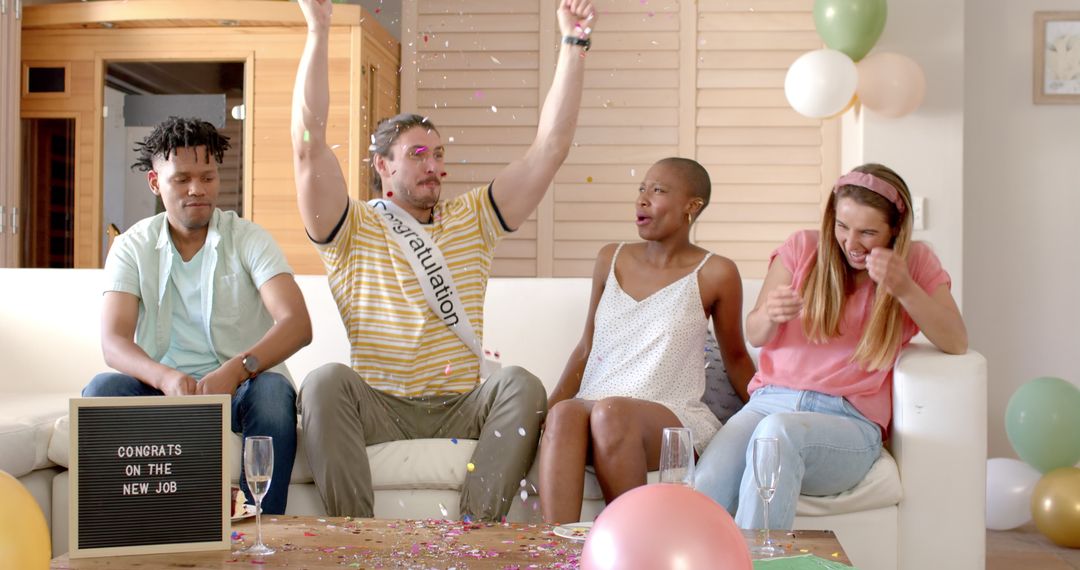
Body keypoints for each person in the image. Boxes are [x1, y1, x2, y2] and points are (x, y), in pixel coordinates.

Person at [290, 0, 598, 521]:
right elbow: (308, 144)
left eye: (438, 155)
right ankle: (357, 539)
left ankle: (477, 537)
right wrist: (318, 31)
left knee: (521, 384)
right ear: (381, 166)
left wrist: (573, 45)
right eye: (417, 155)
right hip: (378, 403)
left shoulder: (473, 217)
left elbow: (549, 149)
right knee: (322, 383)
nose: (434, 167)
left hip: (463, 401)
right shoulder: (352, 227)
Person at [694, 163, 968, 530]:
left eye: (868, 232)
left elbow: (956, 340)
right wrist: (771, 314)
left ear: (895, 230)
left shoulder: (915, 262)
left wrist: (905, 288)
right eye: (842, 226)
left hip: (846, 423)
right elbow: (755, 334)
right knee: (702, 490)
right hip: (769, 404)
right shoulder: (802, 247)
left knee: (778, 436)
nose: (851, 243)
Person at [82, 116, 312, 515]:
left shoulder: (248, 238)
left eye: (207, 177)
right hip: (165, 388)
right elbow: (114, 342)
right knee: (102, 390)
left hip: (244, 387)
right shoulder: (131, 247)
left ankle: (262, 529)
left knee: (275, 394)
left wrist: (237, 370)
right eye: (182, 179)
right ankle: (131, 530)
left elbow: (297, 323)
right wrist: (165, 377)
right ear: (155, 183)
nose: (197, 190)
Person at [538, 158, 756, 524]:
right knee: (564, 414)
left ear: (692, 205)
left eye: (657, 191)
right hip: (597, 404)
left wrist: (771, 412)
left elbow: (735, 358)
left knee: (612, 413)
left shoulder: (717, 272)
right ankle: (557, 555)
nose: (642, 199)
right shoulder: (611, 257)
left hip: (669, 412)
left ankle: (639, 549)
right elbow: (586, 346)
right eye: (641, 188)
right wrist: (547, 408)